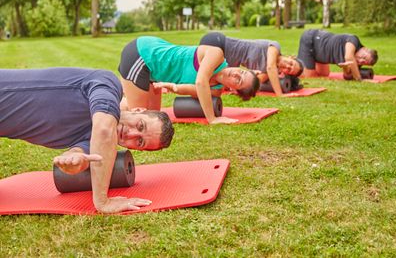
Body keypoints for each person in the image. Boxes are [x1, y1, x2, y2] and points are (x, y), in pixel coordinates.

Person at [0, 67, 174, 214]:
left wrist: (74, 161)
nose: (130, 134)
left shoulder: (95, 140)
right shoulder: (108, 85)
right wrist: (103, 202)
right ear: (137, 110)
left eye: (139, 142)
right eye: (140, 126)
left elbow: (81, 154)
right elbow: (104, 129)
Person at [118, 36, 260, 125]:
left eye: (239, 81)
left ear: (233, 90)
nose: (236, 74)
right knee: (136, 116)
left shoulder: (215, 91)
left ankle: (122, 97)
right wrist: (212, 118)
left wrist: (169, 85)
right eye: (241, 72)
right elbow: (200, 81)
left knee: (154, 117)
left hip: (154, 74)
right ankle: (105, 107)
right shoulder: (216, 54)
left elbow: (187, 89)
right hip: (143, 55)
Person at [199, 32, 304, 96]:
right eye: (291, 63)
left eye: (289, 69)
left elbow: (252, 82)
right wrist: (279, 94)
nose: (288, 66)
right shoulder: (275, 47)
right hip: (218, 43)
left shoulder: (268, 73)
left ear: (285, 74)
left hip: (221, 58)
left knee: (208, 82)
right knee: (203, 78)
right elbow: (270, 67)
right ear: (291, 57)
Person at [297, 29, 378, 79]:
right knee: (310, 77)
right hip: (311, 39)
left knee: (324, 75)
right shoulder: (354, 40)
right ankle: (292, 62)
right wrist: (359, 79)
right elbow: (348, 57)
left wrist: (345, 68)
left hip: (320, 53)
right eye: (363, 57)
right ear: (364, 49)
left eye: (364, 62)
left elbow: (347, 76)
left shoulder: (356, 63)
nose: (360, 60)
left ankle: (308, 61)